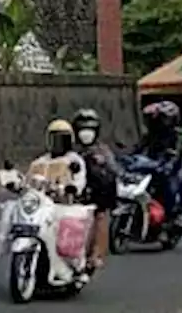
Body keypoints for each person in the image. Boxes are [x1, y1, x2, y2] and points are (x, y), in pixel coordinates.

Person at [73, 108, 118, 270]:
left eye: (90, 129)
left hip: (95, 196)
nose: (86, 134)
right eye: (82, 129)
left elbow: (113, 172)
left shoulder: (103, 151)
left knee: (101, 216)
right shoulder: (69, 149)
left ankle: (96, 254)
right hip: (71, 193)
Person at [135, 100, 182, 229]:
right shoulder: (151, 135)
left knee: (171, 188)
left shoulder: (177, 136)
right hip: (152, 166)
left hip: (172, 168)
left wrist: (169, 164)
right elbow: (138, 148)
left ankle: (175, 215)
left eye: (161, 119)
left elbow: (177, 154)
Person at [27, 118, 88, 197]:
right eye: (54, 140)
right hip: (38, 202)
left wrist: (73, 188)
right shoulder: (39, 162)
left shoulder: (73, 160)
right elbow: (27, 181)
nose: (58, 144)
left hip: (63, 202)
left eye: (62, 140)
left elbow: (79, 179)